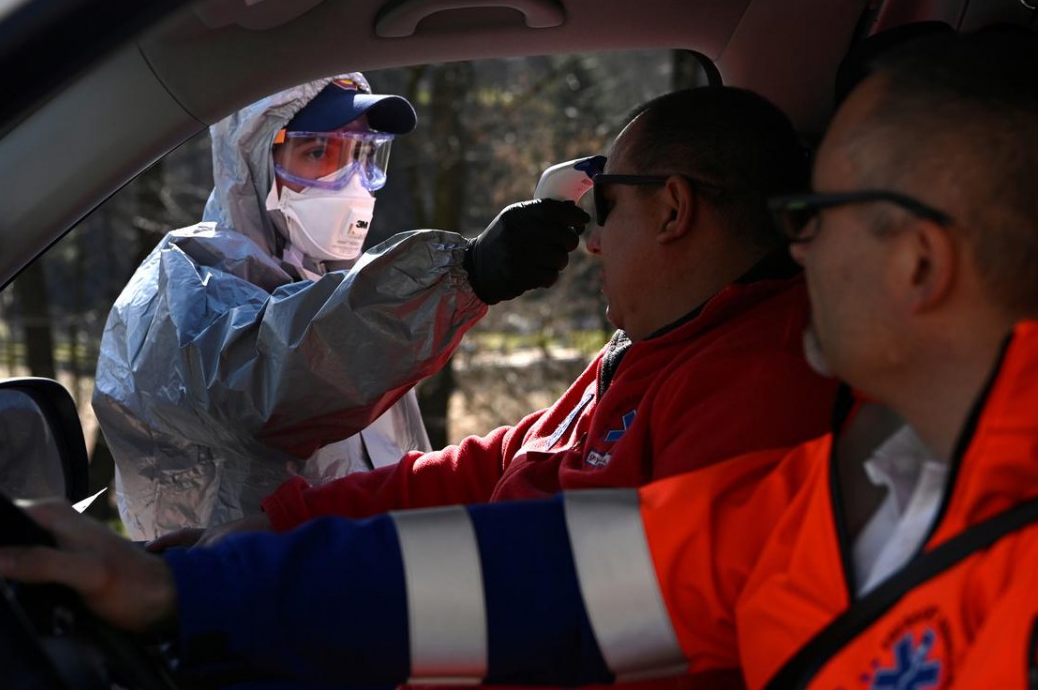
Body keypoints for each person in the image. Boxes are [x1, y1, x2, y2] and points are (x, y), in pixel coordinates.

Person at [0, 31, 1038, 688]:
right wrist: (189, 584)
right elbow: (544, 573)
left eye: (820, 207)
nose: (792, 234)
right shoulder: (833, 503)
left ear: (917, 261)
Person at [151, 85, 839, 603]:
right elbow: (496, 463)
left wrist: (280, 585)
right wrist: (282, 525)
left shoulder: (758, 386)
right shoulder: (649, 351)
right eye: (319, 153)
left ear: (673, 209)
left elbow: (587, 602)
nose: (592, 241)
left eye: (602, 207)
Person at [94, 73, 590, 539]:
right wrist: (464, 274)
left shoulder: (338, 288)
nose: (352, 180)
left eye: (366, 156)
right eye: (319, 153)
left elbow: (393, 467)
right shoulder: (184, 281)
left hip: (338, 589)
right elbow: (273, 382)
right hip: (232, 602)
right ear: (255, 158)